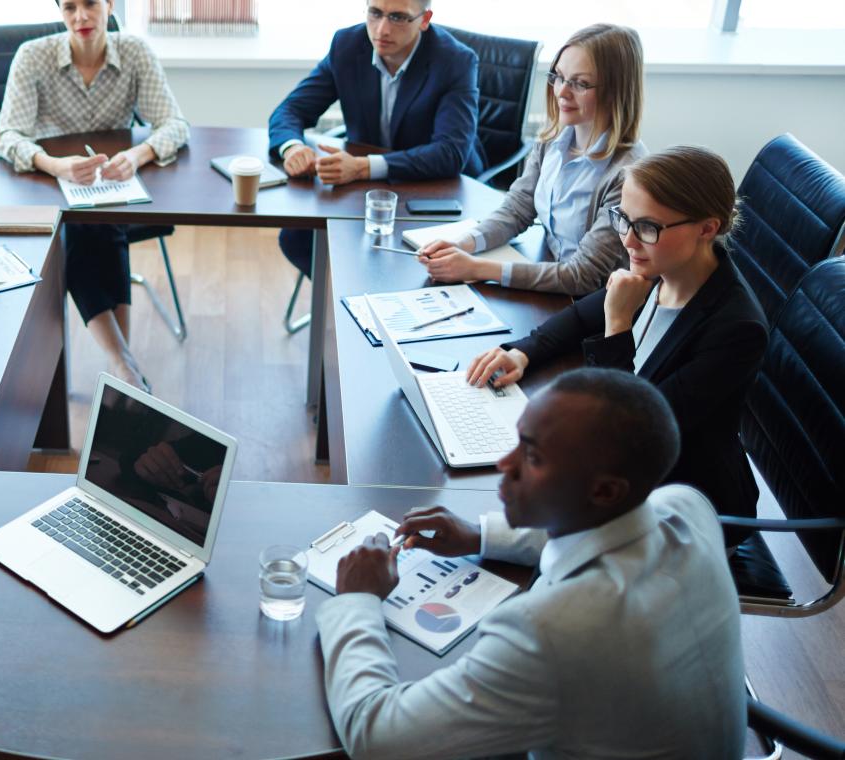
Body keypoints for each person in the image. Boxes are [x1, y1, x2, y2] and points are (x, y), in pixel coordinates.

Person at [319, 368, 745, 758]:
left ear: (606, 492)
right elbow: (602, 528)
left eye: (534, 457)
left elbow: (374, 737)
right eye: (518, 439)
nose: (506, 464)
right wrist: (481, 534)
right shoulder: (687, 506)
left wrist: (358, 600)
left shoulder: (551, 632)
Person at [465, 146, 769, 541]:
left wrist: (618, 323)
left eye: (646, 227)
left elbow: (626, 434)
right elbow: (579, 317)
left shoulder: (736, 330)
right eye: (623, 219)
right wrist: (522, 351)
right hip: (626, 477)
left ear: (706, 229)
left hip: (684, 509)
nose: (628, 240)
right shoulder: (664, 264)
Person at [0, 0, 190, 391]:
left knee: (98, 225)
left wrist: (137, 155)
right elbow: (7, 135)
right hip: (49, 186)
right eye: (69, 7)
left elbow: (175, 124)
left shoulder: (134, 52)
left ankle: (123, 368)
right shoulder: (33, 56)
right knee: (85, 228)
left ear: (110, 5)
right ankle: (125, 365)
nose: (80, 17)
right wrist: (55, 164)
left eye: (90, 4)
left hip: (113, 184)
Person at [418, 23, 648, 295]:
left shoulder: (626, 174)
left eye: (580, 83)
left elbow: (584, 275)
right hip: (547, 275)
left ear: (615, 90)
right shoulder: (553, 138)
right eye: (559, 77)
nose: (561, 92)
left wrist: (476, 268)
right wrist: (464, 243)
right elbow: (517, 209)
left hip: (593, 302)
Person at [267, 0, 485, 278]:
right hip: (365, 189)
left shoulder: (455, 60)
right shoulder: (347, 44)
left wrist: (361, 166)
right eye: (375, 13)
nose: (382, 29)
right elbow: (290, 110)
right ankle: (342, 307)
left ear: (425, 19)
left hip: (437, 190)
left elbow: (450, 153)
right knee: (296, 239)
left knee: (409, 266)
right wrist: (293, 147)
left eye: (397, 17)